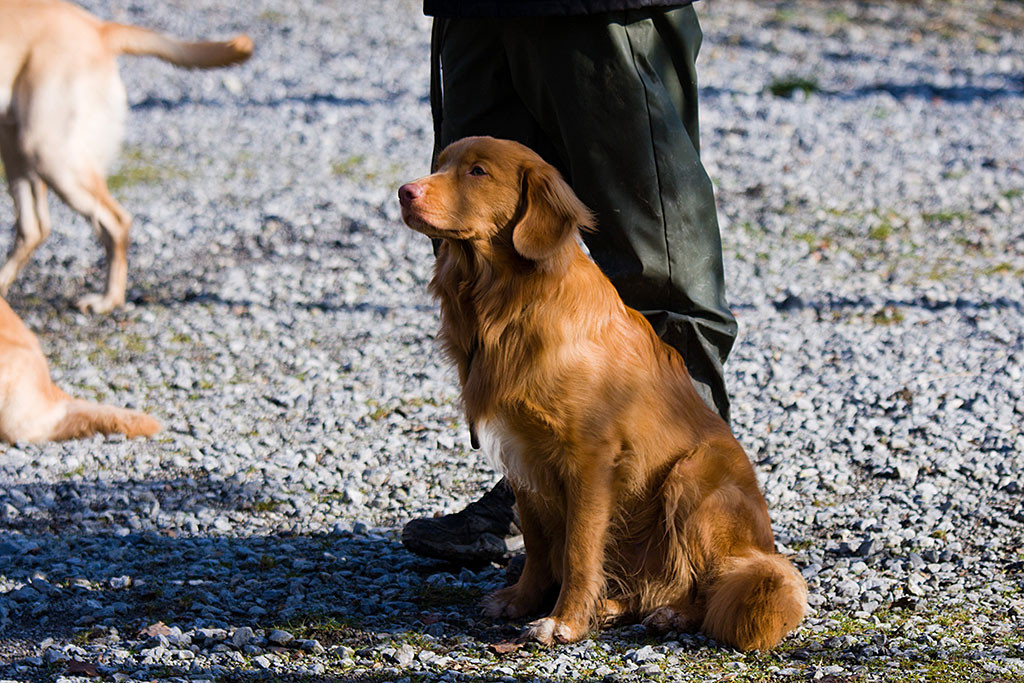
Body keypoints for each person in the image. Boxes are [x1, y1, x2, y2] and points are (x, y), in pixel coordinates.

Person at [402, 0, 737, 565]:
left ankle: (674, 514)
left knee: (653, 251)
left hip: (600, 8)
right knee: (480, 222)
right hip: (473, 10)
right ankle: (541, 493)